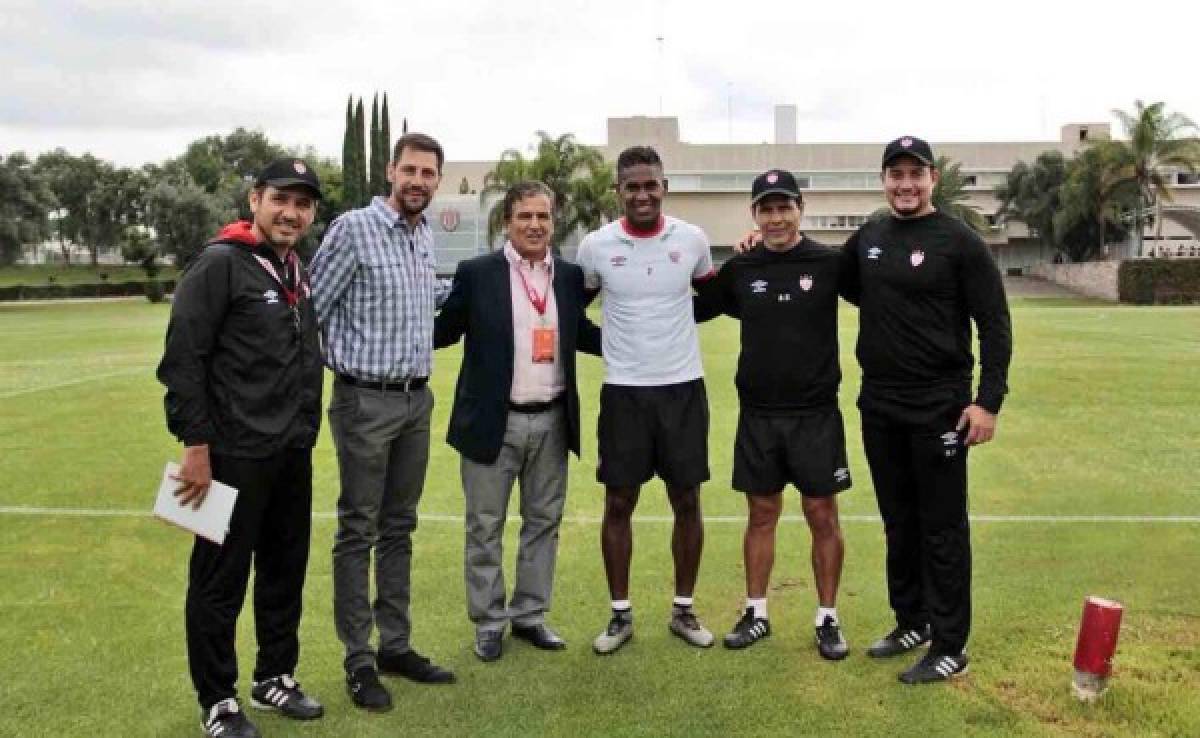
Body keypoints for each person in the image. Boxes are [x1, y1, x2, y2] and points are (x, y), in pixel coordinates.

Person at [158, 158, 325, 738]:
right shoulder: (218, 265)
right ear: (255, 199)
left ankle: (274, 674)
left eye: (303, 204)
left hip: (288, 452)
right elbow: (183, 360)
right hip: (228, 454)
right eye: (282, 198)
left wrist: (305, 430)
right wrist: (195, 447)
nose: (292, 212)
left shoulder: (293, 267)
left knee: (284, 570)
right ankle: (218, 700)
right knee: (218, 580)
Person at [845, 136, 1012, 684]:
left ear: (932, 179)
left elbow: (994, 324)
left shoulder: (960, 242)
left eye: (916, 174)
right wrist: (764, 243)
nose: (905, 184)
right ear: (884, 180)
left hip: (939, 407)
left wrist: (986, 402)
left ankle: (950, 645)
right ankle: (911, 620)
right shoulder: (870, 234)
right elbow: (833, 276)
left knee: (941, 528)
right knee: (899, 522)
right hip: (881, 404)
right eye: (896, 174)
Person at [308, 133, 455, 713]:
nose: (419, 180)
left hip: (416, 401)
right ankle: (359, 658)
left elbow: (431, 302)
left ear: (437, 181)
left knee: (400, 527)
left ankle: (396, 645)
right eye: (411, 170)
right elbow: (311, 310)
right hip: (364, 401)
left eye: (429, 173)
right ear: (391, 171)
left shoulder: (421, 237)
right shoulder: (353, 230)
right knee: (359, 529)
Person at [433, 181, 602, 662]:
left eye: (543, 217)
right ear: (507, 221)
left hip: (551, 419)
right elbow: (443, 331)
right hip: (492, 422)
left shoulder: (569, 278)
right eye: (524, 216)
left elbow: (582, 334)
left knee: (543, 522)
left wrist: (638, 343)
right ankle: (489, 622)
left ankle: (530, 615)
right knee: (484, 527)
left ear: (553, 222)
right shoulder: (477, 273)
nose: (534, 225)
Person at [693, 169, 853, 660]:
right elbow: (697, 307)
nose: (776, 217)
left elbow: (882, 294)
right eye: (767, 208)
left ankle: (828, 617)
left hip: (816, 415)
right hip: (759, 415)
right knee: (761, 513)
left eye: (785, 207)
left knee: (821, 513)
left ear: (800, 209)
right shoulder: (742, 270)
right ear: (754, 215)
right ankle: (756, 611)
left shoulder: (829, 264)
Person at [575, 145, 717, 654]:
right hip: (624, 394)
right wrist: (608, 343)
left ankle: (683, 609)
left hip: (682, 388)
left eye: (650, 184)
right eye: (632, 185)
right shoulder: (596, 246)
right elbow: (576, 309)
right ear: (619, 190)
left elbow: (714, 296)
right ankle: (620, 615)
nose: (642, 193)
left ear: (664, 187)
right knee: (619, 501)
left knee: (687, 499)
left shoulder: (692, 240)